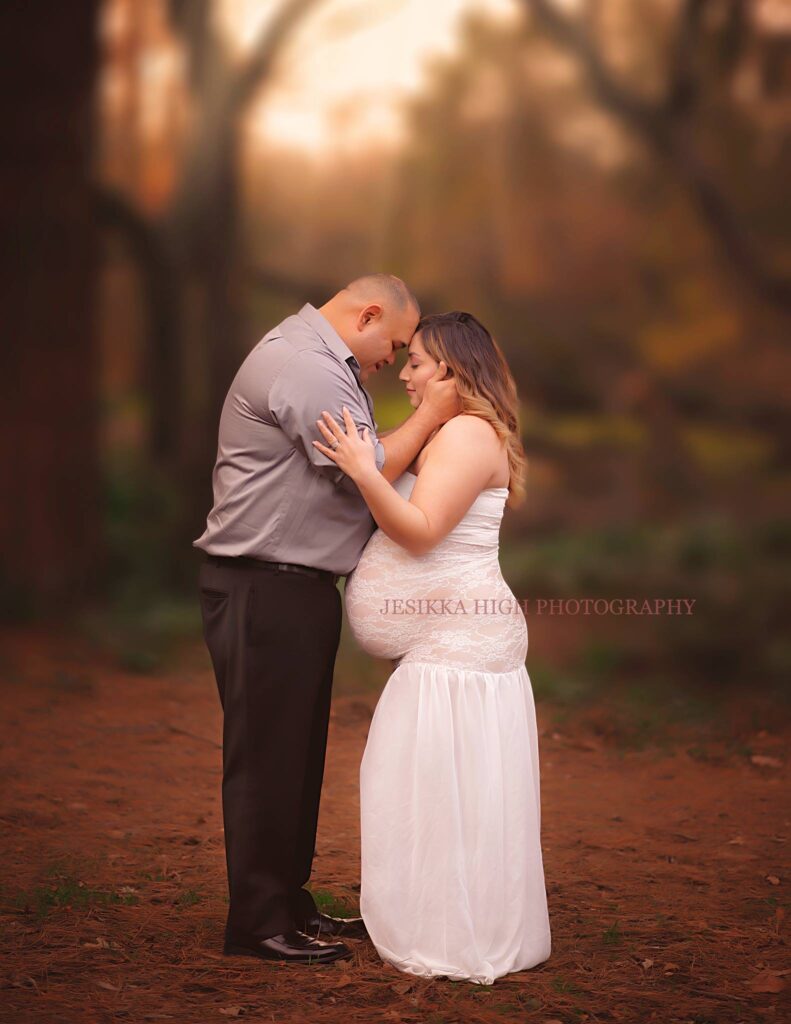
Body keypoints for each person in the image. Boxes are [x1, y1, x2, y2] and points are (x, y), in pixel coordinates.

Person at [193, 275, 460, 965]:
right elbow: (364, 471)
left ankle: (287, 901)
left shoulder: (326, 365)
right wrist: (431, 415)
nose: (392, 360)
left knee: (296, 755)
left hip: (293, 586)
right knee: (265, 758)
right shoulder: (302, 367)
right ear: (367, 314)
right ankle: (256, 923)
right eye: (394, 343)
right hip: (261, 583)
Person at [313, 310, 552, 984]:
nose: (407, 374)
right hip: (448, 647)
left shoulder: (470, 435)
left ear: (449, 366)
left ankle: (454, 934)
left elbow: (420, 531)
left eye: (416, 361)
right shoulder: (456, 432)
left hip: (460, 649)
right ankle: (441, 916)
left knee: (438, 794)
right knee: (431, 791)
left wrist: (363, 470)